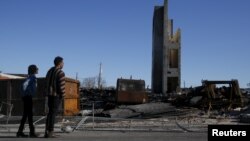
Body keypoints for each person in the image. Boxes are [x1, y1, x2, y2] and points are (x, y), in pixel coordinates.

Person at [44, 56, 65, 138]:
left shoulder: (49, 71)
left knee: (49, 113)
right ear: (59, 63)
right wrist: (63, 95)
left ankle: (46, 131)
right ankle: (50, 132)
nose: (63, 64)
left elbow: (46, 83)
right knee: (53, 113)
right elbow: (61, 86)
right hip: (56, 95)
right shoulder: (60, 72)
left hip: (49, 95)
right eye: (63, 62)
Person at [16, 64, 39, 138]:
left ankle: (20, 131)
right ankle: (31, 132)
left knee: (26, 115)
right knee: (29, 115)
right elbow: (24, 85)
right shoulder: (32, 77)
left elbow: (21, 86)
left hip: (26, 97)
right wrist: (26, 94)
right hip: (28, 97)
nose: (38, 70)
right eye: (36, 69)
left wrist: (23, 94)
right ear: (34, 70)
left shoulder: (29, 77)